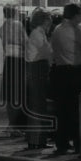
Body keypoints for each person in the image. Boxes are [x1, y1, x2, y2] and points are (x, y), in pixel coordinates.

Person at [49, 3, 81, 154]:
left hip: (60, 72)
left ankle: (61, 143)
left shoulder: (57, 29)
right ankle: (78, 143)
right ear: (75, 15)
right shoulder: (76, 30)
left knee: (62, 110)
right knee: (76, 110)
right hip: (76, 73)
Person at [24, 9, 53, 149]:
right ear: (44, 20)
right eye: (49, 19)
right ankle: (36, 140)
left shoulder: (38, 33)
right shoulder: (38, 34)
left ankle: (38, 139)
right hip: (37, 71)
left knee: (38, 106)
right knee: (37, 106)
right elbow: (46, 52)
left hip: (37, 70)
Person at [0, 5, 27, 134]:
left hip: (8, 60)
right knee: (18, 94)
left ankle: (11, 123)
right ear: (15, 13)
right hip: (19, 60)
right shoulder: (18, 25)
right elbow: (25, 42)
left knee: (10, 95)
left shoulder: (2, 27)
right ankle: (14, 124)